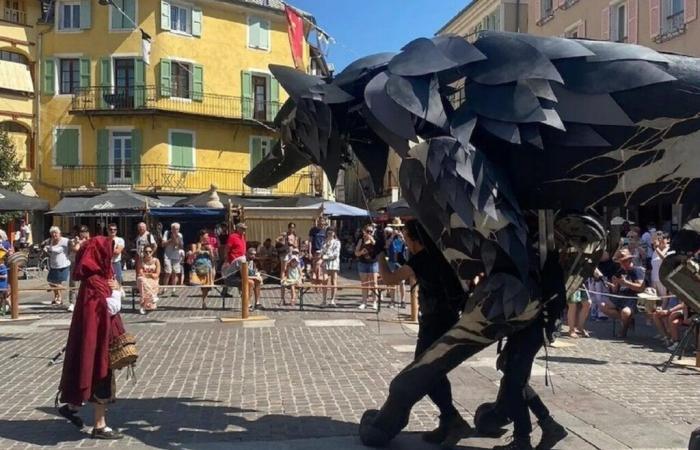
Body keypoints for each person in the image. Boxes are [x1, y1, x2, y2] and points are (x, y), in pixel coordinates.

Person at [376, 220, 471, 447]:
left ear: (414, 239)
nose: (406, 242)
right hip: (448, 318)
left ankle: (452, 418)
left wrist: (380, 255)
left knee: (424, 372)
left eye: (407, 238)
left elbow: (390, 279)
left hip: (434, 322)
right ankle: (448, 421)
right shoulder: (440, 255)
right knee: (434, 371)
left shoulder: (421, 259)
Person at [56, 236, 126, 440]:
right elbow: (110, 307)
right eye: (107, 251)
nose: (110, 255)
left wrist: (114, 288)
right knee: (99, 373)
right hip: (98, 340)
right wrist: (116, 292)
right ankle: (99, 425)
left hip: (93, 337)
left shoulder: (95, 278)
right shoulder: (96, 281)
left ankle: (71, 406)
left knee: (85, 368)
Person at [601, 248, 646, 338]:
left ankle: (623, 330)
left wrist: (625, 283)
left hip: (632, 298)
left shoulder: (637, 270)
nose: (622, 264)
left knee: (625, 312)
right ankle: (628, 320)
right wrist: (611, 285)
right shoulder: (620, 271)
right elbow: (615, 290)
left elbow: (640, 288)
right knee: (603, 306)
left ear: (630, 259)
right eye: (620, 262)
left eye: (624, 261)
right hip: (620, 297)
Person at [45, 226, 71, 306]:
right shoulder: (51, 241)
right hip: (53, 265)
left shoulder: (65, 241)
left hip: (63, 265)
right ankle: (57, 296)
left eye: (56, 233)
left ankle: (59, 298)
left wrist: (69, 255)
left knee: (57, 283)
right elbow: (50, 252)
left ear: (59, 233)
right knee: (51, 281)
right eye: (52, 233)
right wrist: (46, 250)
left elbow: (70, 247)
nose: (54, 234)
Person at [189, 230, 215, 309]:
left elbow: (213, 258)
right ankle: (204, 302)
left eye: (207, 237)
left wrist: (210, 251)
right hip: (198, 267)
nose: (207, 239)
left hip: (207, 267)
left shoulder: (209, 246)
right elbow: (192, 255)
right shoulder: (195, 244)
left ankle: (204, 303)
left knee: (206, 287)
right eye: (205, 237)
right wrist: (199, 249)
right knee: (196, 283)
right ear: (201, 237)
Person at [355, 224, 379, 310]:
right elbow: (356, 253)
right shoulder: (361, 240)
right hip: (363, 263)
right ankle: (364, 302)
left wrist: (371, 239)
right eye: (367, 231)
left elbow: (377, 247)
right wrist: (361, 252)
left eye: (371, 231)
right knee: (364, 284)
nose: (369, 233)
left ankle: (374, 302)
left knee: (374, 283)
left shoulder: (374, 239)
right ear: (363, 231)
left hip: (373, 263)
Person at [67, 225, 90, 312]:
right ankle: (72, 303)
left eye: (85, 231)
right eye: (81, 232)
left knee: (85, 283)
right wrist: (77, 242)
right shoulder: (72, 241)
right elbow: (75, 249)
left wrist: (87, 240)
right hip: (75, 263)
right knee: (73, 283)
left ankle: (84, 302)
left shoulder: (89, 241)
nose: (83, 233)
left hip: (85, 263)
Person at [385, 220, 407, 308]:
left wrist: (402, 237)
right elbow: (386, 245)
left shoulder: (403, 235)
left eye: (398, 227)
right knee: (392, 282)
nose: (396, 229)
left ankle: (403, 301)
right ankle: (392, 301)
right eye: (394, 227)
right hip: (392, 260)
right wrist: (393, 236)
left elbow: (407, 245)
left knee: (402, 282)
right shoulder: (390, 236)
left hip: (401, 261)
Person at [161, 223, 185, 297]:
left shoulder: (180, 235)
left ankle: (173, 290)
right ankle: (165, 288)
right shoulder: (167, 233)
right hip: (167, 256)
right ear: (171, 229)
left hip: (176, 256)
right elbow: (163, 244)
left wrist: (177, 240)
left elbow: (181, 246)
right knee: (168, 272)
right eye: (174, 229)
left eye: (177, 229)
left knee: (175, 273)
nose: (176, 230)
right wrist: (171, 239)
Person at [137, 244, 160, 315]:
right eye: (146, 252)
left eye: (150, 251)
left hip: (153, 280)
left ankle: (143, 306)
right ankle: (153, 296)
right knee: (141, 280)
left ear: (152, 252)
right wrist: (150, 275)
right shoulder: (141, 260)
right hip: (143, 280)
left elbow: (157, 275)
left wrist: (147, 275)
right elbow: (140, 273)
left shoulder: (156, 261)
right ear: (143, 252)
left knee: (144, 285)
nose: (148, 253)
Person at [320, 227, 341, 307]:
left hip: (334, 263)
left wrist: (326, 257)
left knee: (333, 281)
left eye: (331, 232)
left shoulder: (337, 242)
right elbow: (321, 252)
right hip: (325, 264)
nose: (330, 234)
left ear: (334, 233)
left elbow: (336, 254)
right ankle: (324, 300)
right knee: (325, 280)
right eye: (328, 232)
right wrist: (326, 246)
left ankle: (332, 300)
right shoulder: (324, 242)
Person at [309, 217, 327, 286]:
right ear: (318, 221)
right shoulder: (313, 230)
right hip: (315, 250)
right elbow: (310, 241)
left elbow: (326, 242)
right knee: (315, 266)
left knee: (319, 267)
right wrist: (310, 252)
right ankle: (315, 283)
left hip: (322, 251)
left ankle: (318, 284)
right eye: (320, 221)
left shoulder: (325, 231)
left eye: (323, 221)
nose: (322, 223)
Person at [0, 248, 8, 314]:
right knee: (3, 299)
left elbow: (5, 276)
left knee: (3, 299)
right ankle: (3, 310)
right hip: (2, 286)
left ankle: (4, 311)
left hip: (2, 286)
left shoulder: (3, 267)